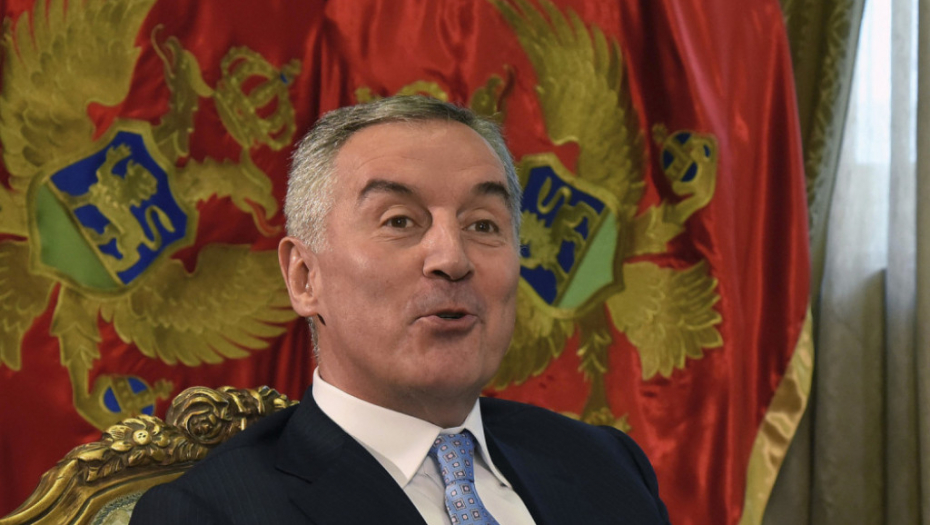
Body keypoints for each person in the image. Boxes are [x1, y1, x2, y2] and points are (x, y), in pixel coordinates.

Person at [129, 96, 671, 524]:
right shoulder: (212, 513)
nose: (452, 259)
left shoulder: (606, 465)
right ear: (304, 277)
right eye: (400, 221)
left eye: (483, 224)